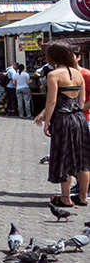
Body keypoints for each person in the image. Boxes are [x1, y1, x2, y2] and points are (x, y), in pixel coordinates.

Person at [35, 42, 90, 207]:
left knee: (65, 157)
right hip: (79, 118)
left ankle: (65, 197)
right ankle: (83, 196)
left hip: (63, 119)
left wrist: (47, 122)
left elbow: (51, 101)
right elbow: (81, 102)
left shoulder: (54, 75)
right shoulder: (78, 74)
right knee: (82, 159)